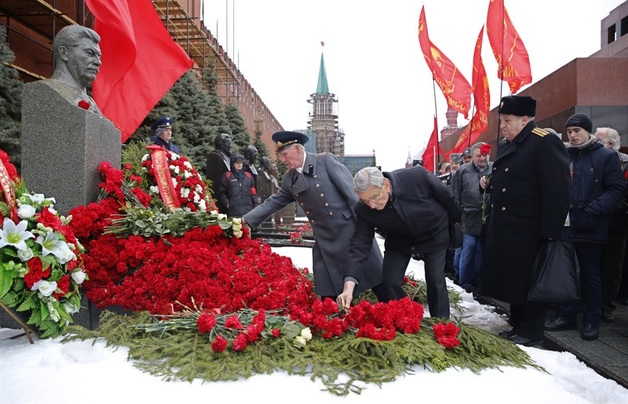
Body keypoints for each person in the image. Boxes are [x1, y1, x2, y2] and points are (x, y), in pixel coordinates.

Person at [241, 131, 383, 300]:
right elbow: (273, 202)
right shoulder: (289, 179)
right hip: (324, 240)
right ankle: (335, 318)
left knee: (375, 279)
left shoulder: (325, 161)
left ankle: (395, 310)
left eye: (285, 155)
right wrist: (247, 220)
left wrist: (365, 229)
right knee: (327, 290)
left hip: (348, 232)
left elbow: (351, 196)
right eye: (280, 156)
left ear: (298, 150)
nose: (283, 160)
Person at [480, 95, 571, 346]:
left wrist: (550, 231)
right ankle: (518, 325)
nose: (503, 126)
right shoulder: (510, 144)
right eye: (502, 121)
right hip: (509, 229)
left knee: (532, 283)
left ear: (524, 119)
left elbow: (558, 190)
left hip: (531, 229)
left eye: (507, 120)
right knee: (514, 282)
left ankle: (531, 332)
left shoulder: (544, 142)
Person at [337, 166, 461, 319]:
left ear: (387, 185)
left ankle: (441, 324)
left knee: (435, 279)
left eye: (374, 197)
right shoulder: (364, 209)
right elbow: (360, 244)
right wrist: (349, 285)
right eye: (365, 200)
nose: (372, 206)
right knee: (389, 280)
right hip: (400, 240)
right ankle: (406, 318)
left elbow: (447, 198)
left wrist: (455, 222)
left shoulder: (416, 177)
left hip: (434, 233)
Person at [545, 114, 625, 340]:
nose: (572, 135)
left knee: (590, 275)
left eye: (577, 131)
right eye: (569, 131)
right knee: (566, 272)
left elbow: (617, 189)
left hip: (591, 224)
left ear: (587, 132)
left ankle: (591, 320)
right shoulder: (564, 154)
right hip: (566, 224)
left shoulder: (606, 156)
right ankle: (566, 315)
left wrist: (594, 209)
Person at [594, 127, 628, 322]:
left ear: (610, 144)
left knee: (612, 265)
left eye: (598, 141)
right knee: (592, 264)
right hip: (595, 219)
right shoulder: (594, 159)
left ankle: (606, 305)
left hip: (617, 223)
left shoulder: (624, 162)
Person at [451, 142, 491, 293]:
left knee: (484, 253)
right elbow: (455, 194)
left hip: (488, 219)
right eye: (478, 155)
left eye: (484, 155)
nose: (482, 158)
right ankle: (465, 283)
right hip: (468, 219)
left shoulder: (493, 168)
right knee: (468, 250)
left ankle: (481, 283)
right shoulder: (463, 171)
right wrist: (457, 214)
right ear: (472, 157)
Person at [40, 25, 102, 113]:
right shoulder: (45, 91)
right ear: (64, 53)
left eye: (99, 56)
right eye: (90, 53)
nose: (98, 62)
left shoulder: (92, 103)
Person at [218, 153, 259, 218]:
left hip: (248, 212)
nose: (239, 165)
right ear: (233, 164)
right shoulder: (227, 176)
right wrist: (227, 204)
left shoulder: (248, 176)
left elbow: (253, 193)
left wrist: (255, 206)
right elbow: (222, 192)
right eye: (237, 163)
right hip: (233, 212)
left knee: (247, 228)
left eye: (241, 163)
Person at [206, 133, 233, 213]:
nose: (231, 146)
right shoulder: (216, 157)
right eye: (228, 143)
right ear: (221, 144)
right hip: (220, 200)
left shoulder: (228, 158)